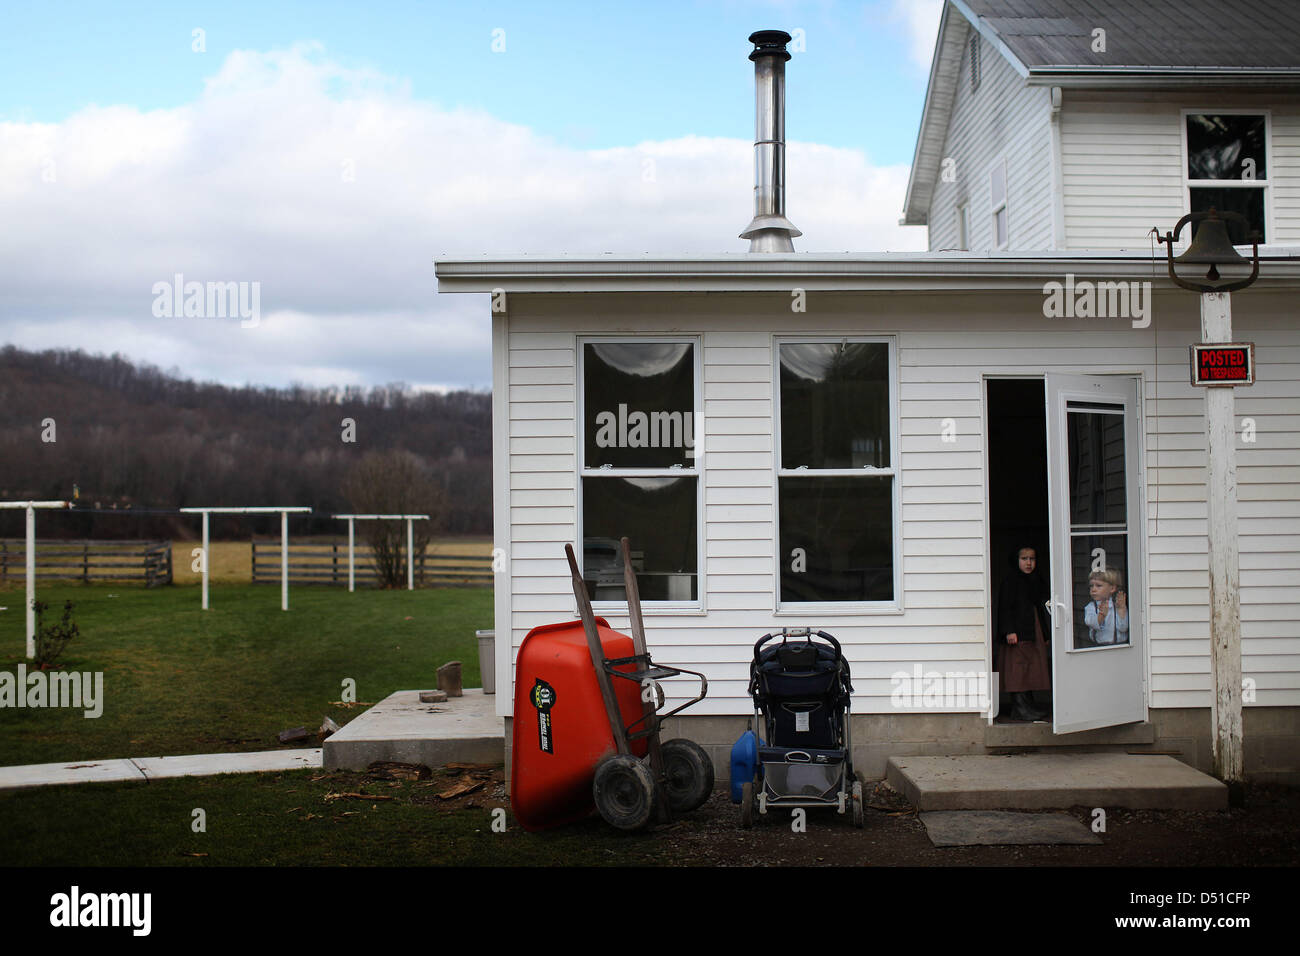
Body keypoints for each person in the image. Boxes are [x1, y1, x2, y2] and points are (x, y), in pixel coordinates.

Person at [996, 545, 1051, 721]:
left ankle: (1028, 705)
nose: (1029, 563)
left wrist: (1045, 633)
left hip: (1033, 629)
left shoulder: (1035, 580)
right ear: (1016, 560)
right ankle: (1020, 708)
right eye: (1024, 559)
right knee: (1018, 669)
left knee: (1031, 668)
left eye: (1032, 559)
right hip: (1017, 632)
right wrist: (1009, 631)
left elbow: (1041, 607)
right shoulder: (1011, 581)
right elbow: (1004, 608)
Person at [1084, 569, 1128, 645]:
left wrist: (1121, 610)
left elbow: (1123, 628)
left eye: (1098, 586)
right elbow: (1090, 622)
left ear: (1112, 588)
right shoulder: (1091, 607)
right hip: (1098, 647)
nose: (1093, 589)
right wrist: (1101, 616)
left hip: (1120, 647)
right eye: (1091, 586)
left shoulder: (1117, 605)